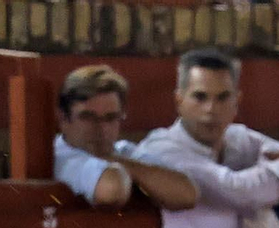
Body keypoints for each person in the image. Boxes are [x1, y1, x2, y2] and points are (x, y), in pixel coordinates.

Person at [139, 48, 279, 228]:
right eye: (200, 97)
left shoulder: (240, 140)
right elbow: (240, 191)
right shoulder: (161, 148)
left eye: (223, 97)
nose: (211, 109)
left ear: (237, 102)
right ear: (179, 101)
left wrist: (262, 188)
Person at [54, 65, 197, 211]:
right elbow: (112, 189)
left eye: (110, 118)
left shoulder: (123, 150)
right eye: (88, 118)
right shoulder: (58, 156)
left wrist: (113, 159)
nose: (101, 128)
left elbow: (187, 194)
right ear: (63, 118)